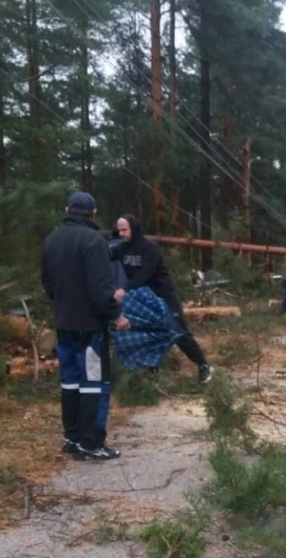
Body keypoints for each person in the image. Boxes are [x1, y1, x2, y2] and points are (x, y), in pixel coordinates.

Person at [41, 191, 130, 460]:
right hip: (90, 328)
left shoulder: (51, 239)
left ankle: (72, 437)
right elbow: (100, 289)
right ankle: (91, 444)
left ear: (68, 209)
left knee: (70, 382)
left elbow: (47, 283)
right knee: (94, 383)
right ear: (93, 213)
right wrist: (116, 315)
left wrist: (65, 303)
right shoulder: (94, 241)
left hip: (64, 325)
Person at [111, 214, 214, 384]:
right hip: (143, 297)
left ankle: (203, 366)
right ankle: (151, 374)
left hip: (163, 294)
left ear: (134, 228)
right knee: (146, 333)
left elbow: (145, 273)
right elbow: (103, 255)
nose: (121, 233)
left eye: (124, 229)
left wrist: (124, 289)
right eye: (119, 229)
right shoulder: (121, 248)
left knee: (177, 330)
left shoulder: (149, 248)